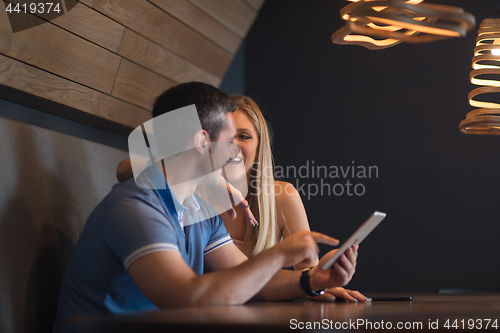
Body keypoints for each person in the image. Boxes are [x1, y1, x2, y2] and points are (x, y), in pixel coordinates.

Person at [54, 82, 359, 333]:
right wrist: (279, 254)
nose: (234, 151)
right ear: (202, 141)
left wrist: (313, 279)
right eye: (229, 138)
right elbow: (188, 299)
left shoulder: (200, 209)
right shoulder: (136, 209)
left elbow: (251, 282)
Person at [117, 94, 368, 303]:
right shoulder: (182, 203)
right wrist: (211, 177)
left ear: (260, 146)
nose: (232, 146)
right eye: (225, 138)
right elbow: (124, 171)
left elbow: (256, 279)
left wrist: (315, 280)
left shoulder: (215, 213)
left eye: (244, 136)